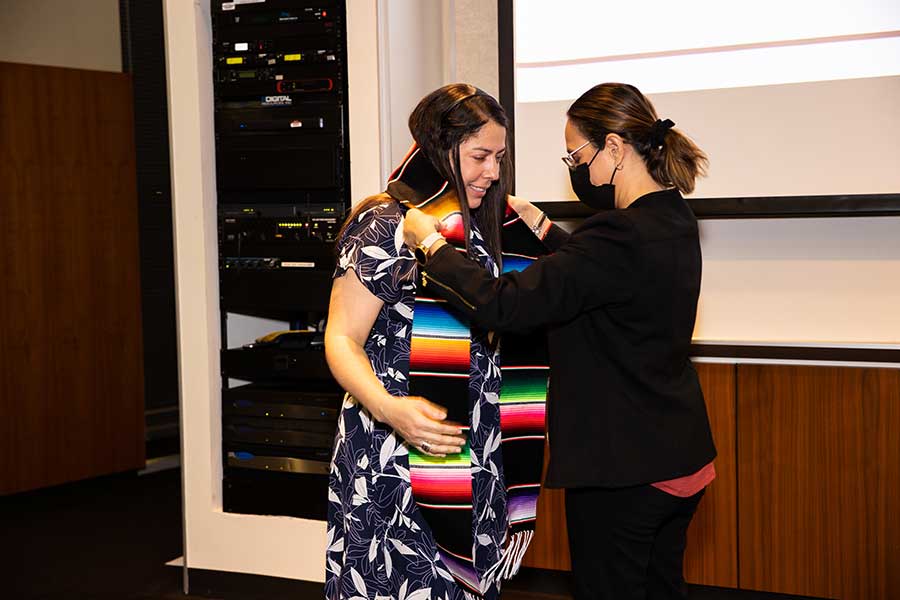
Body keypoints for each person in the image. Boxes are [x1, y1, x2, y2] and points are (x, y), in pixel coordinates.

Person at [403, 82, 717, 600]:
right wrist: (547, 231)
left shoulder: (617, 236)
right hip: (679, 454)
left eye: (577, 155)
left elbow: (505, 305)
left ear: (614, 148)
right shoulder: (672, 219)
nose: (575, 169)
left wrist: (433, 246)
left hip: (625, 470)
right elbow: (614, 281)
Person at [324, 83, 545, 600]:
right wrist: (389, 408)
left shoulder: (494, 225)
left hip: (478, 455)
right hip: (391, 454)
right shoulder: (383, 224)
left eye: (499, 158)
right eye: (479, 156)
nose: (492, 171)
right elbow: (341, 338)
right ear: (439, 150)